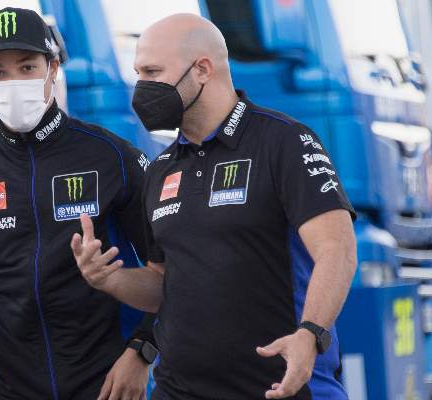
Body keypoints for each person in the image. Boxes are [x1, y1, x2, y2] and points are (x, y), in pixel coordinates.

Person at [72, 13, 357, 400]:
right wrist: (109, 279)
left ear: (203, 69)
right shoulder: (160, 170)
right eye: (139, 73)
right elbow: (163, 283)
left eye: (153, 71)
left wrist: (310, 333)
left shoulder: (285, 142)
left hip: (281, 387)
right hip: (179, 390)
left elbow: (337, 249)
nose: (142, 87)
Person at [0, 7, 157, 400]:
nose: (14, 82)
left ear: (53, 68)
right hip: (9, 387)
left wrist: (142, 351)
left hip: (105, 385)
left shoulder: (113, 157)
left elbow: (175, 267)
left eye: (27, 68)